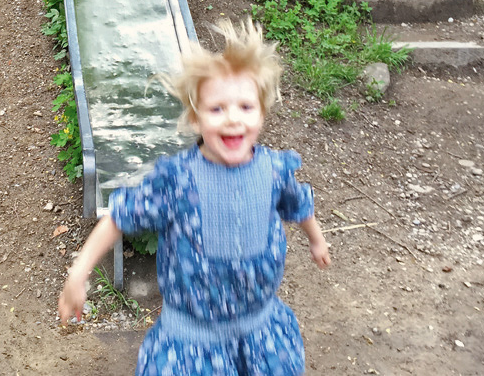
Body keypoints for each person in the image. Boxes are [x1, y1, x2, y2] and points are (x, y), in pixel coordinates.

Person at [58, 19, 331, 376]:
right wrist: (79, 273)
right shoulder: (177, 180)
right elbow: (119, 217)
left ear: (262, 112)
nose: (233, 118)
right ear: (196, 117)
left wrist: (317, 240)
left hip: (261, 334)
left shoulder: (275, 170)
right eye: (217, 108)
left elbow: (299, 205)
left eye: (245, 107)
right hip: (192, 346)